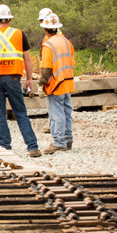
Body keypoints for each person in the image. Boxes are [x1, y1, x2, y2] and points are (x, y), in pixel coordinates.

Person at [0, 4, 42, 157]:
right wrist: (29, 79)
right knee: (20, 112)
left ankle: (4, 147)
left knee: (0, 114)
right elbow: (27, 59)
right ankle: (32, 146)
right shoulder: (19, 34)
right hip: (13, 78)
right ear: (9, 18)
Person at [38, 13, 74, 154]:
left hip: (56, 84)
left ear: (45, 29)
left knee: (56, 114)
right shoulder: (66, 41)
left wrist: (42, 82)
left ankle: (59, 142)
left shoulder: (48, 45)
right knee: (66, 112)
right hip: (67, 82)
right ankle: (68, 140)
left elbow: (46, 69)